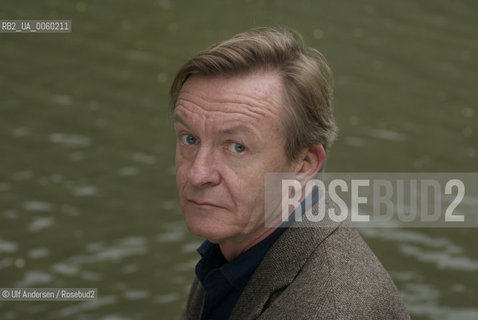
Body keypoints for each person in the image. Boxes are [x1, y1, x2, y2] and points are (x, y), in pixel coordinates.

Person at [169, 27, 410, 320]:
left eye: (236, 147)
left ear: (304, 164)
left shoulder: (333, 309)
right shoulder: (234, 244)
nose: (197, 174)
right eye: (189, 139)